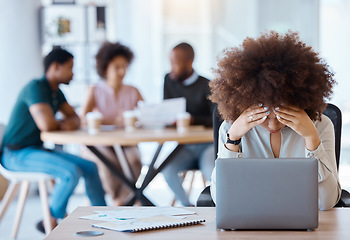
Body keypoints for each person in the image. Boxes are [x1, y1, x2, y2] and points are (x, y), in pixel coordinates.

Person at [209, 31, 341, 211]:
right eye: (265, 117)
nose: (273, 125)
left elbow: (325, 202)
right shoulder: (232, 129)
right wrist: (232, 139)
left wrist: (311, 139)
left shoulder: (321, 125)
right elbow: (220, 199)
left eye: (282, 115)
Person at [0, 48, 106, 232]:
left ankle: (104, 217)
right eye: (70, 68)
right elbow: (47, 125)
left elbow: (76, 119)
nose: (73, 73)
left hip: (36, 150)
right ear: (55, 67)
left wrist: (68, 122)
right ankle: (50, 219)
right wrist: (65, 122)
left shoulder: (56, 92)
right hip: (15, 154)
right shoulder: (36, 88)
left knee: (90, 167)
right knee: (70, 172)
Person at [80, 41, 143, 206]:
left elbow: (146, 115)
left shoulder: (133, 90)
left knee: (134, 160)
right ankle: (119, 200)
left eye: (125, 66)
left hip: (126, 142)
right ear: (105, 68)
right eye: (117, 67)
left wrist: (137, 119)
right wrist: (111, 121)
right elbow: (83, 118)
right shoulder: (94, 90)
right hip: (100, 143)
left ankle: (124, 199)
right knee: (108, 163)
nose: (122, 71)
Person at [162, 42, 215, 206]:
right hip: (184, 146)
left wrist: (193, 120)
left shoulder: (208, 86)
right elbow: (167, 110)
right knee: (167, 170)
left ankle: (215, 208)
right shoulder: (169, 81)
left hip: (207, 145)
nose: (171, 68)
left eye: (175, 64)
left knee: (211, 172)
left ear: (189, 62)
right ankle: (188, 207)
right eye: (170, 63)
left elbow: (216, 119)